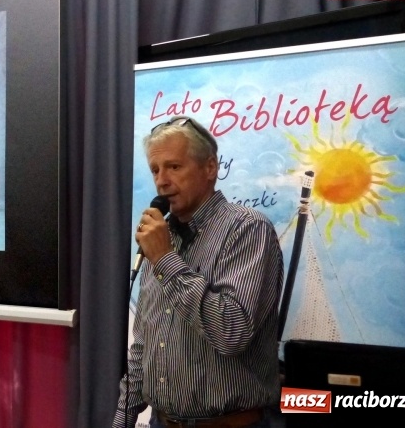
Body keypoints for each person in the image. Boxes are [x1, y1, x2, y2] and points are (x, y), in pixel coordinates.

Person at [113, 115, 285, 428]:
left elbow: (231, 332)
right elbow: (144, 343)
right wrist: (122, 420)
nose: (162, 181)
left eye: (174, 167)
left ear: (210, 168)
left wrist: (165, 259)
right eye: (155, 170)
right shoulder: (162, 236)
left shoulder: (248, 229)